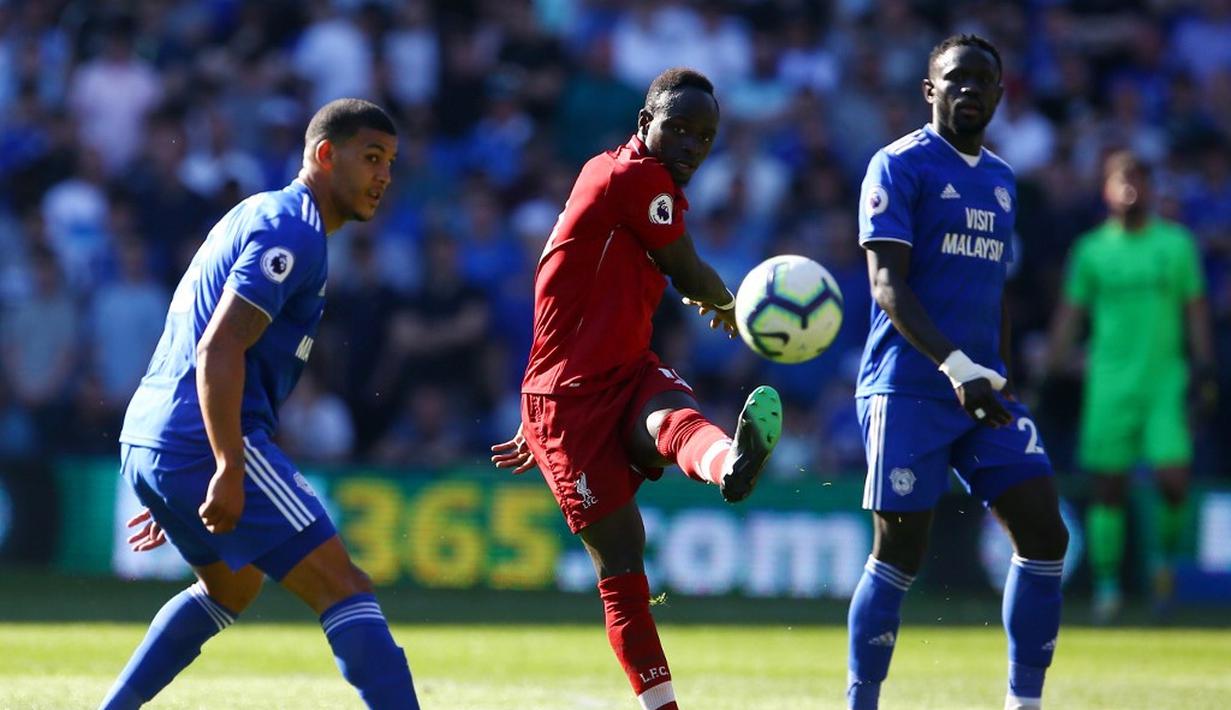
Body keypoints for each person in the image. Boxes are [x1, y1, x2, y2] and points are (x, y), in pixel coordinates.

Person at [99, 99, 419, 710]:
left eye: (391, 163)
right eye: (371, 158)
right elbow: (219, 348)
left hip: (151, 435)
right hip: (199, 435)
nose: (384, 176)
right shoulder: (293, 231)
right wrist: (222, 463)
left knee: (231, 584)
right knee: (345, 587)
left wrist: (172, 465)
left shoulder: (260, 214)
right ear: (325, 155)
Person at [490, 67, 782, 710]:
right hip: (566, 401)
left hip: (621, 369)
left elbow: (560, 282)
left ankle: (729, 461)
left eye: (703, 136)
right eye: (676, 127)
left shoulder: (633, 181)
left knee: (670, 415)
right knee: (623, 563)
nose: (689, 145)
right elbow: (686, 270)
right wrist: (736, 308)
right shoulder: (633, 178)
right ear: (644, 123)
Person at [848, 35, 1069, 710]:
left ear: (1000, 96)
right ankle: (861, 702)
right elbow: (886, 283)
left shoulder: (1001, 181)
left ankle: (1022, 703)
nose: (968, 89)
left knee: (1044, 532)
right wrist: (952, 365)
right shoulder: (897, 165)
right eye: (954, 78)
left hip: (981, 388)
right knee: (900, 552)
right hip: (908, 385)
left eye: (982, 80)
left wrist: (994, 373)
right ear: (929, 90)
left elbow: (993, 289)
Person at [1045, 150, 1215, 622]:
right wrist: (1051, 370)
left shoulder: (1176, 245)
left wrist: (1203, 366)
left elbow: (1195, 307)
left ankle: (1163, 562)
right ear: (1106, 189)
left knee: (1173, 480)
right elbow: (1070, 314)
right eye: (1121, 180)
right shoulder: (1092, 251)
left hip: (1166, 381)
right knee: (1109, 488)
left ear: (1151, 187)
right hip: (1109, 384)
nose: (1130, 188)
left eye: (1137, 179)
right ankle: (1107, 588)